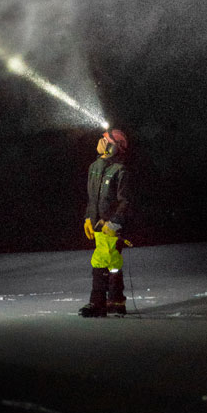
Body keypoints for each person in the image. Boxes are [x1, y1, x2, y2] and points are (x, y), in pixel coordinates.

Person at [79, 128, 131, 317]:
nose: (100, 141)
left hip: (110, 226)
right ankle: (114, 302)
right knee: (107, 262)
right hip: (97, 224)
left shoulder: (120, 170)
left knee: (105, 261)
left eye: (104, 139)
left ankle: (100, 303)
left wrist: (115, 223)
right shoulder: (94, 167)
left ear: (113, 146)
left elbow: (125, 201)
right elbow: (91, 198)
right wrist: (87, 218)